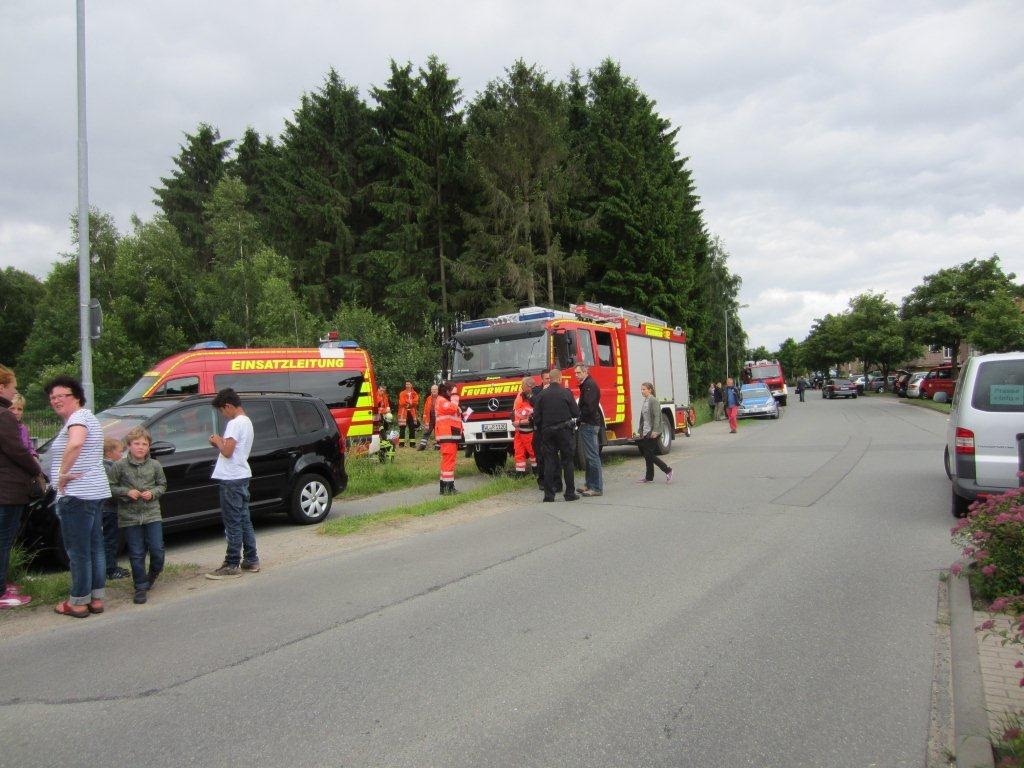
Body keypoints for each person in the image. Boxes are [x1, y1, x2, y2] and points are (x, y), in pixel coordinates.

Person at [45, 375, 110, 617]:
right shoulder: (88, 417)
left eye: (62, 396)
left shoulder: (79, 418)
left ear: (77, 397)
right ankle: (95, 599)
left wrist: (62, 474)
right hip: (93, 492)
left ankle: (78, 601)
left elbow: (75, 444)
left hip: (77, 495)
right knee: (95, 547)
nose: (56, 400)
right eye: (52, 397)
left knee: (78, 550)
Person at [0, 366, 44, 609]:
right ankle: (1, 593)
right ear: (2, 387)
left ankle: (3, 584)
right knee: (4, 541)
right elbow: (16, 450)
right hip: (7, 489)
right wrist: (36, 469)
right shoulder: (4, 415)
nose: (15, 391)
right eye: (13, 386)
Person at [109, 427, 167, 605]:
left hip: (152, 514)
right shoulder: (119, 466)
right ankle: (140, 586)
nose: (141, 447)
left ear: (149, 447)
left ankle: (153, 573)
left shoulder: (155, 465)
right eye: (136, 444)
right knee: (136, 552)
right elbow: (110, 487)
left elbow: (162, 485)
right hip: (129, 516)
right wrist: (127, 492)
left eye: (144, 444)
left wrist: (153, 493)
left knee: (157, 550)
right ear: (129, 446)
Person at [205, 388, 258, 580]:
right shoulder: (247, 422)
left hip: (231, 478)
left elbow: (227, 451)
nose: (223, 415)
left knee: (232, 521)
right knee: (244, 519)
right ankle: (251, 559)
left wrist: (217, 441)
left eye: (222, 411)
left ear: (228, 406)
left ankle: (231, 562)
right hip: (241, 474)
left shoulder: (235, 423)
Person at [534, 367, 580, 502]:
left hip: (547, 432)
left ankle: (549, 496)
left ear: (550, 379)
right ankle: (570, 493)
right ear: (560, 379)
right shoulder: (566, 393)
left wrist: (543, 427)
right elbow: (576, 413)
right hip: (564, 431)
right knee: (567, 462)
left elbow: (536, 416)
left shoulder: (542, 395)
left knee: (549, 462)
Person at [101, 437, 131, 580]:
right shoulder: (109, 467)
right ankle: (110, 569)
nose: (122, 455)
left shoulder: (106, 465)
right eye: (120, 452)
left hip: (109, 508)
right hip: (109, 509)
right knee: (111, 539)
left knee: (111, 538)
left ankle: (110, 566)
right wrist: (127, 494)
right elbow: (112, 489)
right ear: (109, 453)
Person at [634, 382, 673, 483]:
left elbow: (657, 416)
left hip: (653, 431)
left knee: (649, 454)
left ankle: (668, 470)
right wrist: (641, 430)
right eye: (641, 389)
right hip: (647, 431)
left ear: (650, 390)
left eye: (644, 389)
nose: (642, 391)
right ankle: (649, 477)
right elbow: (643, 417)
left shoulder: (653, 400)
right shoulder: (645, 401)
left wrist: (655, 431)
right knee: (647, 455)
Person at [575, 364, 603, 497]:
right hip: (587, 424)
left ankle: (596, 488)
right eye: (575, 373)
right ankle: (589, 484)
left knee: (592, 456)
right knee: (589, 456)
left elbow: (590, 407)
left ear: (586, 372)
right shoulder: (586, 384)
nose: (576, 375)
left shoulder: (589, 385)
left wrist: (579, 418)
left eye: (578, 372)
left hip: (590, 424)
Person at [434, 382, 462, 495]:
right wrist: (455, 398)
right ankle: (449, 488)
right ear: (448, 391)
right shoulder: (442, 401)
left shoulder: (444, 401)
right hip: (447, 436)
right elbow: (451, 409)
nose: (454, 394)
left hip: (449, 435)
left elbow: (453, 413)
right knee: (449, 462)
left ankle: (444, 487)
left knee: (447, 462)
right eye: (453, 392)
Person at [512, 376, 538, 479]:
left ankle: (537, 472)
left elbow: (533, 417)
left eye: (523, 385)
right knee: (519, 452)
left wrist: (519, 422)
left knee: (533, 452)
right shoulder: (521, 394)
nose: (521, 387)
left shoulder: (533, 397)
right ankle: (520, 474)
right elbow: (516, 409)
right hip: (519, 431)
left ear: (529, 386)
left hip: (528, 431)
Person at [531, 370, 553, 490]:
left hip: (551, 428)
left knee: (551, 456)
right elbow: (532, 401)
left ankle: (554, 481)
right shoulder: (536, 391)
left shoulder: (556, 390)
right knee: (540, 456)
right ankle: (542, 481)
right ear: (542, 380)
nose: (548, 380)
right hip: (539, 429)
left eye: (550, 378)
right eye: (546, 379)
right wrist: (544, 393)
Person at [8, 394, 38, 458]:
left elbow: (29, 448)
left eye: (19, 409)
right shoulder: (2, 428)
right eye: (12, 408)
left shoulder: (23, 428)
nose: (16, 412)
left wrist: (33, 455)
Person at [396, 381, 419, 448]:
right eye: (406, 384)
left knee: (412, 428)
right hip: (403, 413)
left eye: (409, 384)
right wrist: (411, 403)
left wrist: (409, 402)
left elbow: (416, 402)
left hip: (412, 413)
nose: (407, 385)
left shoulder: (414, 393)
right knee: (402, 428)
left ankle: (412, 444)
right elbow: (402, 402)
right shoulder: (402, 393)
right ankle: (401, 444)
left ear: (411, 385)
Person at [417, 384, 439, 451]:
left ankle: (438, 446)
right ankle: (422, 446)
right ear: (431, 390)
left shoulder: (440, 398)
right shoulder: (428, 398)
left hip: (438, 418)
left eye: (435, 389)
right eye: (432, 389)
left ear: (437, 390)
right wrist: (424, 418)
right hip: (430, 418)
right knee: (427, 431)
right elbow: (426, 409)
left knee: (438, 432)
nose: (433, 390)